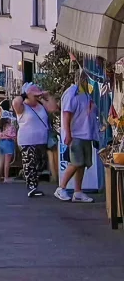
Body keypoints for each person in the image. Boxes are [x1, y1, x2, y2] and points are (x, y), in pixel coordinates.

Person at [57, 68, 99, 203]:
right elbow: (66, 113)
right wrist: (68, 134)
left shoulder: (86, 94)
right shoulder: (72, 93)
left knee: (82, 164)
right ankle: (61, 188)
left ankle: (78, 191)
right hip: (76, 134)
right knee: (75, 162)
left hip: (86, 134)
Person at [13, 84, 52, 198]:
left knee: (39, 164)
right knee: (30, 164)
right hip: (27, 141)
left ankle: (34, 184)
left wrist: (47, 96)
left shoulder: (40, 105)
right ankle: (32, 187)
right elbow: (15, 102)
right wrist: (25, 94)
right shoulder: (22, 107)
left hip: (41, 140)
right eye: (35, 96)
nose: (37, 97)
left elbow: (53, 108)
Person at [0, 106, 18, 181]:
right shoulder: (11, 127)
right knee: (7, 162)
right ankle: (6, 178)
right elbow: (14, 136)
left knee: (1, 161)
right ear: (7, 119)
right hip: (8, 143)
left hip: (1, 143)